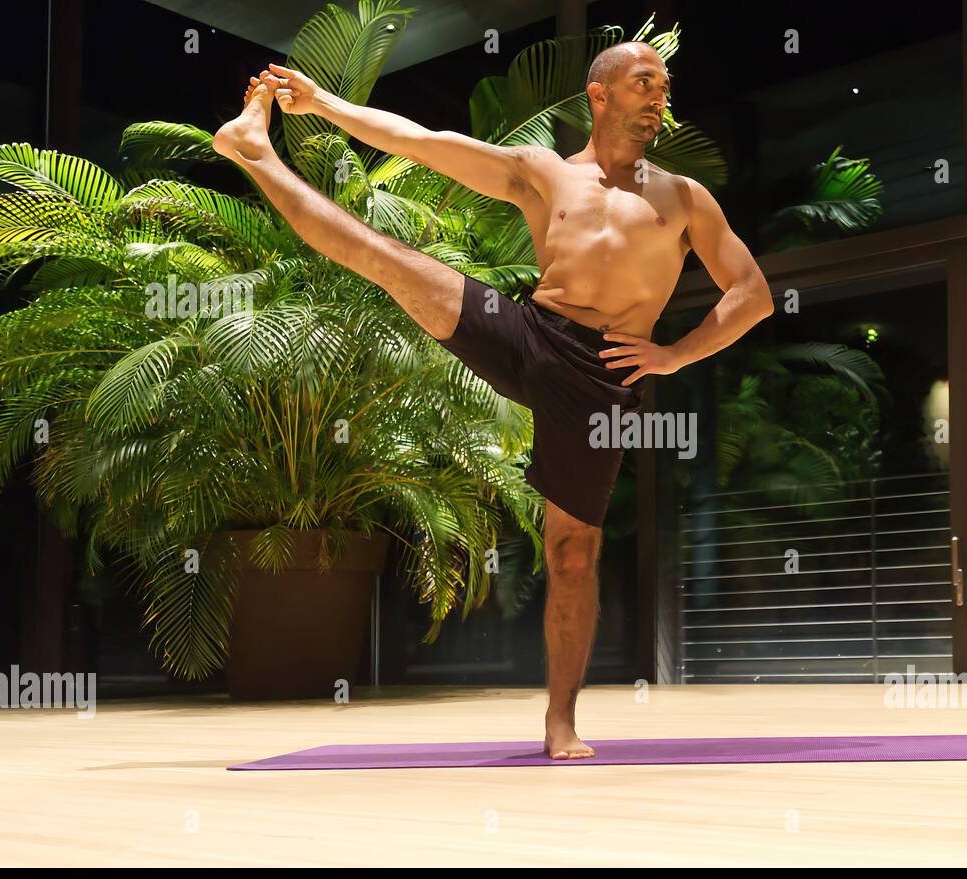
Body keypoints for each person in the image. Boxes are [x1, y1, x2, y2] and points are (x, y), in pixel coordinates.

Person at [211, 41, 775, 758]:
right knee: (388, 260)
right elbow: (422, 142)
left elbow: (751, 294)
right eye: (644, 84)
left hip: (604, 376)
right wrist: (322, 104)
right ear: (600, 95)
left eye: (664, 87)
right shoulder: (541, 174)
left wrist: (673, 353)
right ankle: (254, 151)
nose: (659, 98)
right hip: (531, 333)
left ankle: (560, 720)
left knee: (573, 551)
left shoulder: (685, 199)